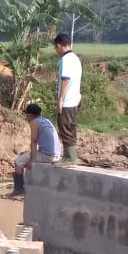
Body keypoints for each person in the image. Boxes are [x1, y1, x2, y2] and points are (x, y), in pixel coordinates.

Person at [7, 103, 63, 199]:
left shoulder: (34, 122)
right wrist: (30, 155)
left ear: (31, 115)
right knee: (24, 157)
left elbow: (34, 142)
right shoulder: (46, 121)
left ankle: (18, 191)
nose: (26, 117)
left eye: (26, 115)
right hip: (57, 155)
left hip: (47, 155)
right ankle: (23, 189)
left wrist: (32, 161)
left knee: (18, 161)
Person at [53, 32, 82, 166]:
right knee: (70, 127)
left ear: (59, 45)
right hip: (75, 99)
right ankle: (71, 156)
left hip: (68, 100)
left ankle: (70, 158)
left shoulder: (66, 59)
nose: (56, 51)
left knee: (64, 127)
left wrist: (60, 99)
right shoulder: (75, 58)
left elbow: (65, 80)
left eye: (56, 48)